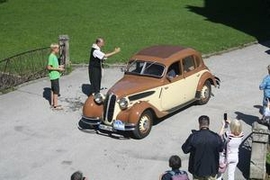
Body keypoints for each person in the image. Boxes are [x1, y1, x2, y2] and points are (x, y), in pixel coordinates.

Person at [182, 115, 223, 180]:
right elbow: (221, 149)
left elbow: (185, 149)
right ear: (208, 124)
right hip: (211, 170)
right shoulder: (215, 137)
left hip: (197, 170)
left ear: (199, 124)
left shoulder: (194, 136)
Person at [46, 43, 65, 110]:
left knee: (53, 90)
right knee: (56, 90)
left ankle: (53, 103)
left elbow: (53, 66)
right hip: (54, 76)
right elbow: (48, 67)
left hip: (55, 75)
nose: (58, 50)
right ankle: (55, 105)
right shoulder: (51, 56)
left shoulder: (53, 56)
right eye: (57, 48)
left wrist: (59, 66)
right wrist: (58, 69)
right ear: (54, 49)